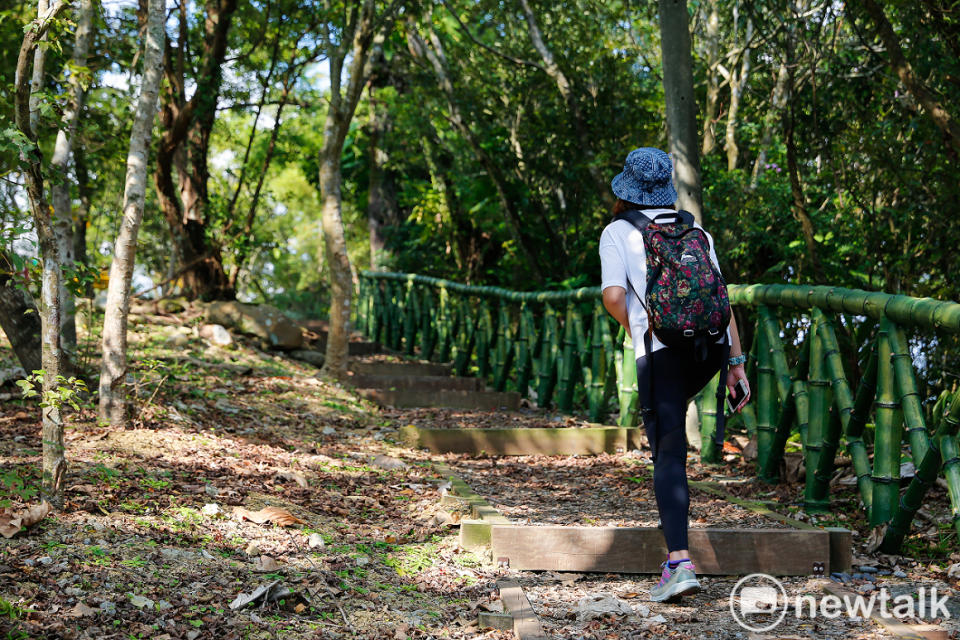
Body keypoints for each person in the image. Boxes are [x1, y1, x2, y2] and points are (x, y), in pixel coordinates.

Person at [598, 146, 750, 602]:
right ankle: (678, 551)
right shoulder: (694, 229)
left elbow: (612, 296)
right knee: (671, 431)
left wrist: (640, 328)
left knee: (668, 453)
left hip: (662, 350)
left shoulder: (617, 232)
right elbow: (722, 302)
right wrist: (735, 364)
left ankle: (679, 562)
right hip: (710, 350)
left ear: (626, 188)